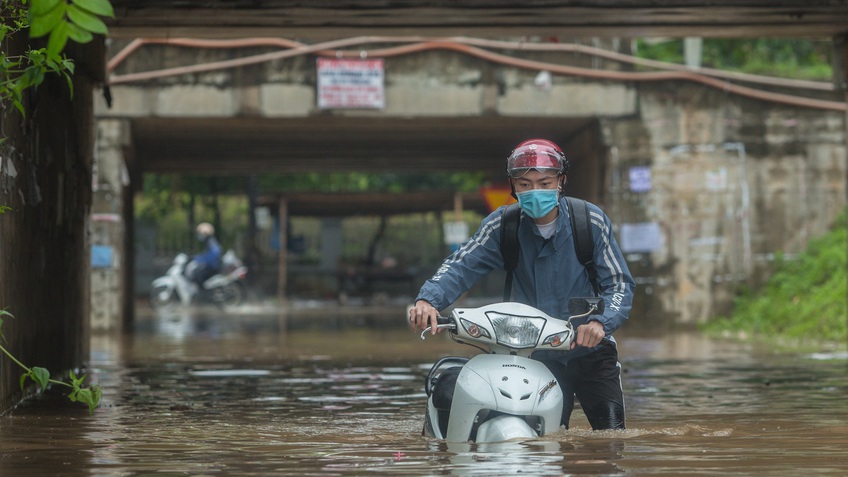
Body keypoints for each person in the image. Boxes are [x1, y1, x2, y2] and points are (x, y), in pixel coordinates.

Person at [408, 138, 635, 430]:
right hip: (533, 351)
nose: (534, 191)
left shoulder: (590, 221)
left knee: (610, 440)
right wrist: (428, 300)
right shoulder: (502, 225)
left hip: (591, 348)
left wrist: (600, 323)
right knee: (541, 439)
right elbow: (460, 265)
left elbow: (619, 285)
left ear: (561, 181)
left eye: (544, 182)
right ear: (513, 186)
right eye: (525, 184)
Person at [188, 222, 222, 287]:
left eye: (200, 233)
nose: (199, 235)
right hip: (211, 266)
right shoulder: (208, 242)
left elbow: (212, 254)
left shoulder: (210, 242)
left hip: (212, 267)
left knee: (197, 274)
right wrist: (196, 257)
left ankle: (202, 293)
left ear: (205, 233)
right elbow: (205, 254)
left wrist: (199, 259)